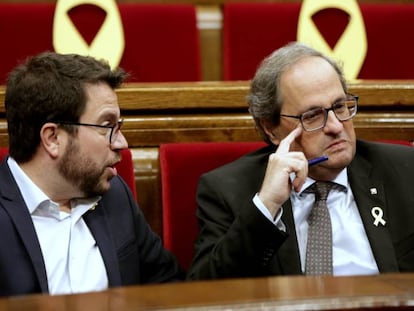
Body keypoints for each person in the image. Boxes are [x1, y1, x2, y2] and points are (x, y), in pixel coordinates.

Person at [187, 42, 414, 280]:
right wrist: (267, 206)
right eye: (313, 116)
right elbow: (206, 290)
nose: (336, 126)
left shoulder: (404, 171)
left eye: (340, 106)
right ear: (271, 128)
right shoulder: (228, 191)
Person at [0, 52, 183, 297]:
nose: (122, 143)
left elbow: (168, 286)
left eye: (119, 127)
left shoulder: (115, 195)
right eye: (107, 127)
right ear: (53, 138)